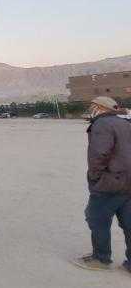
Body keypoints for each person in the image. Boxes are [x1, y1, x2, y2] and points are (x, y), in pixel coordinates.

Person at [72, 96, 131, 273]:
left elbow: (100, 154)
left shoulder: (102, 125)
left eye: (93, 106)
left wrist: (95, 177)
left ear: (100, 107)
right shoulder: (126, 123)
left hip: (110, 182)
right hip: (128, 181)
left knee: (96, 218)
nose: (91, 110)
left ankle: (101, 258)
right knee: (129, 222)